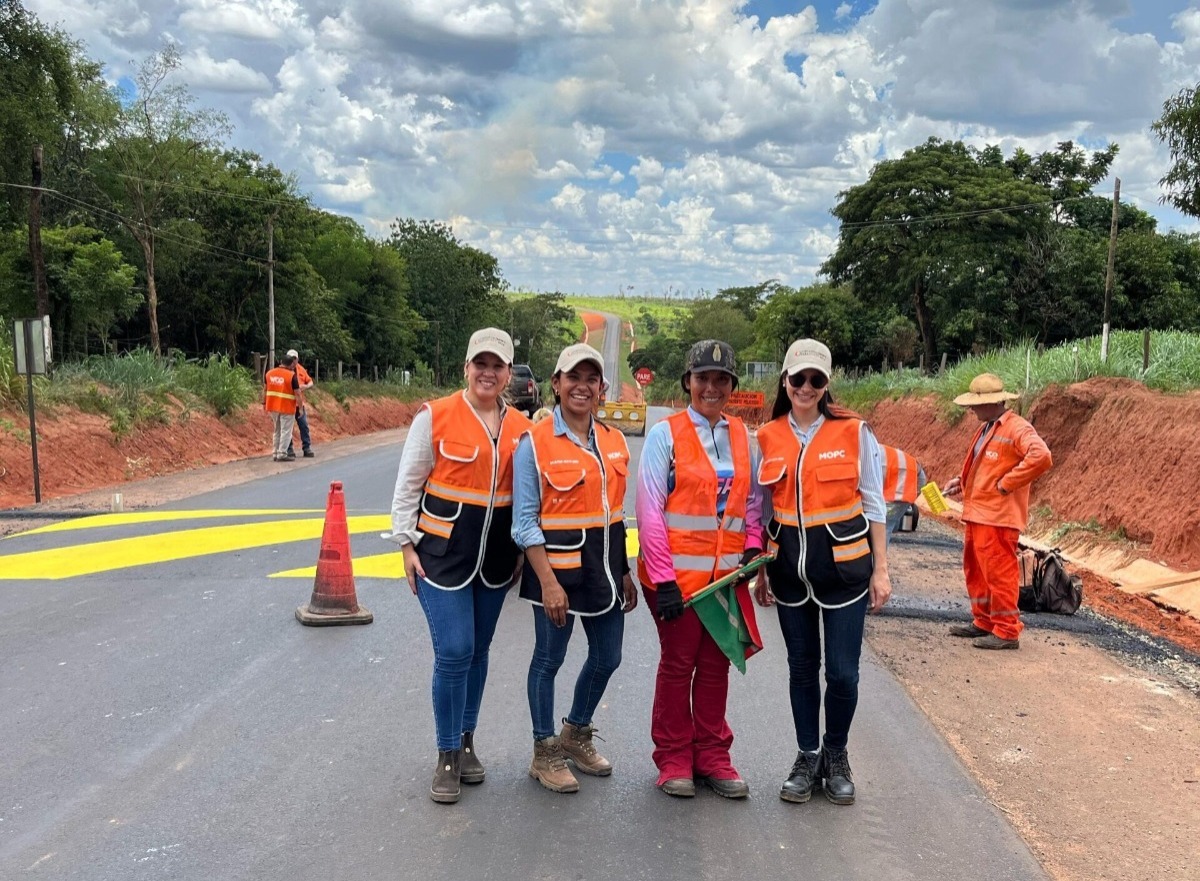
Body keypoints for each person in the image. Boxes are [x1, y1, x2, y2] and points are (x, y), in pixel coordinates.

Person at [389, 328, 533, 804]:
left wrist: (518, 554)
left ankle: (467, 739)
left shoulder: (523, 430)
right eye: (480, 364)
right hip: (440, 558)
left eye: (498, 366)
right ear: (466, 368)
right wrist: (406, 546)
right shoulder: (434, 416)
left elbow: (528, 499)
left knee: (478, 652)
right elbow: (409, 485)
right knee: (454, 649)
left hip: (494, 562)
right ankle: (447, 754)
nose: (488, 373)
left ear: (508, 374)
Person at [753, 338, 891, 807]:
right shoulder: (768, 436)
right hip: (789, 574)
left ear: (826, 384)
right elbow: (763, 507)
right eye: (798, 379)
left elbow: (874, 501)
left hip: (847, 573)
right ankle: (807, 754)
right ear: (785, 382)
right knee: (801, 669)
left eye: (816, 380)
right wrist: (761, 570)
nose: (806, 387)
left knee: (844, 674)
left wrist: (882, 570)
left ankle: (836, 755)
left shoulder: (855, 432)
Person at [635, 339, 764, 799]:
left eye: (721, 379)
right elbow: (650, 509)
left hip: (725, 579)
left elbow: (751, 503)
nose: (711, 387)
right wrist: (664, 578)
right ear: (687, 382)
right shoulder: (664, 435)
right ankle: (673, 757)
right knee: (678, 665)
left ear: (732, 385)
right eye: (702, 378)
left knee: (716, 666)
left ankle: (712, 754)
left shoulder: (743, 439)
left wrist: (752, 547)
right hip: (677, 582)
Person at [512, 343, 638, 793]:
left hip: (604, 569)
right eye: (573, 378)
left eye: (591, 379)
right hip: (556, 575)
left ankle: (576, 731)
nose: (581, 387)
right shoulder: (534, 443)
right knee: (549, 659)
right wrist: (547, 582)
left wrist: (625, 572)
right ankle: (544, 751)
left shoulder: (614, 440)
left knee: (609, 657)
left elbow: (616, 513)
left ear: (601, 388)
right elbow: (524, 522)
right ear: (556, 383)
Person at [942, 373, 1052, 650]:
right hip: (978, 514)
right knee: (977, 571)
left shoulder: (1016, 428)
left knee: (999, 573)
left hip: (998, 519)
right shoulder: (987, 427)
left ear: (993, 403)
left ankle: (1006, 630)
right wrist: (962, 481)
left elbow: (1041, 456)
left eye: (976, 404)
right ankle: (984, 621)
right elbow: (987, 467)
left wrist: (1007, 484)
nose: (971, 409)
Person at [881, 444, 926, 540]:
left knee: (883, 525)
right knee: (886, 524)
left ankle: (878, 554)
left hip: (906, 480)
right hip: (909, 474)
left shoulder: (863, 456)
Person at [263, 353, 302, 462]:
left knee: (277, 430)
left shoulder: (269, 374)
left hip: (273, 406)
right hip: (287, 407)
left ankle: (275, 453)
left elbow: (265, 389)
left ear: (281, 362)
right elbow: (298, 393)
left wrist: (263, 402)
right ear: (290, 365)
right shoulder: (291, 375)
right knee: (286, 431)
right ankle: (282, 453)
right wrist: (301, 408)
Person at [285, 348, 315, 459]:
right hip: (287, 405)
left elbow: (310, 381)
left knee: (304, 426)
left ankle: (306, 448)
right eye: (290, 359)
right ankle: (289, 449)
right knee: (288, 428)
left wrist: (306, 387)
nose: (293, 361)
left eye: (294, 359)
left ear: (297, 359)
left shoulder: (301, 370)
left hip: (299, 404)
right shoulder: (284, 371)